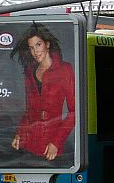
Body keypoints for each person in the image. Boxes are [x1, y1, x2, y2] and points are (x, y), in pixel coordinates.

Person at [10, 24, 75, 163]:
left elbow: (74, 112)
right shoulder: (29, 71)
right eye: (31, 48)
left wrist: (56, 142)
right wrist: (19, 134)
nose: (35, 52)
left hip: (51, 147)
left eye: (38, 45)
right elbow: (29, 111)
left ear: (47, 44)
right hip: (28, 144)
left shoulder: (65, 70)